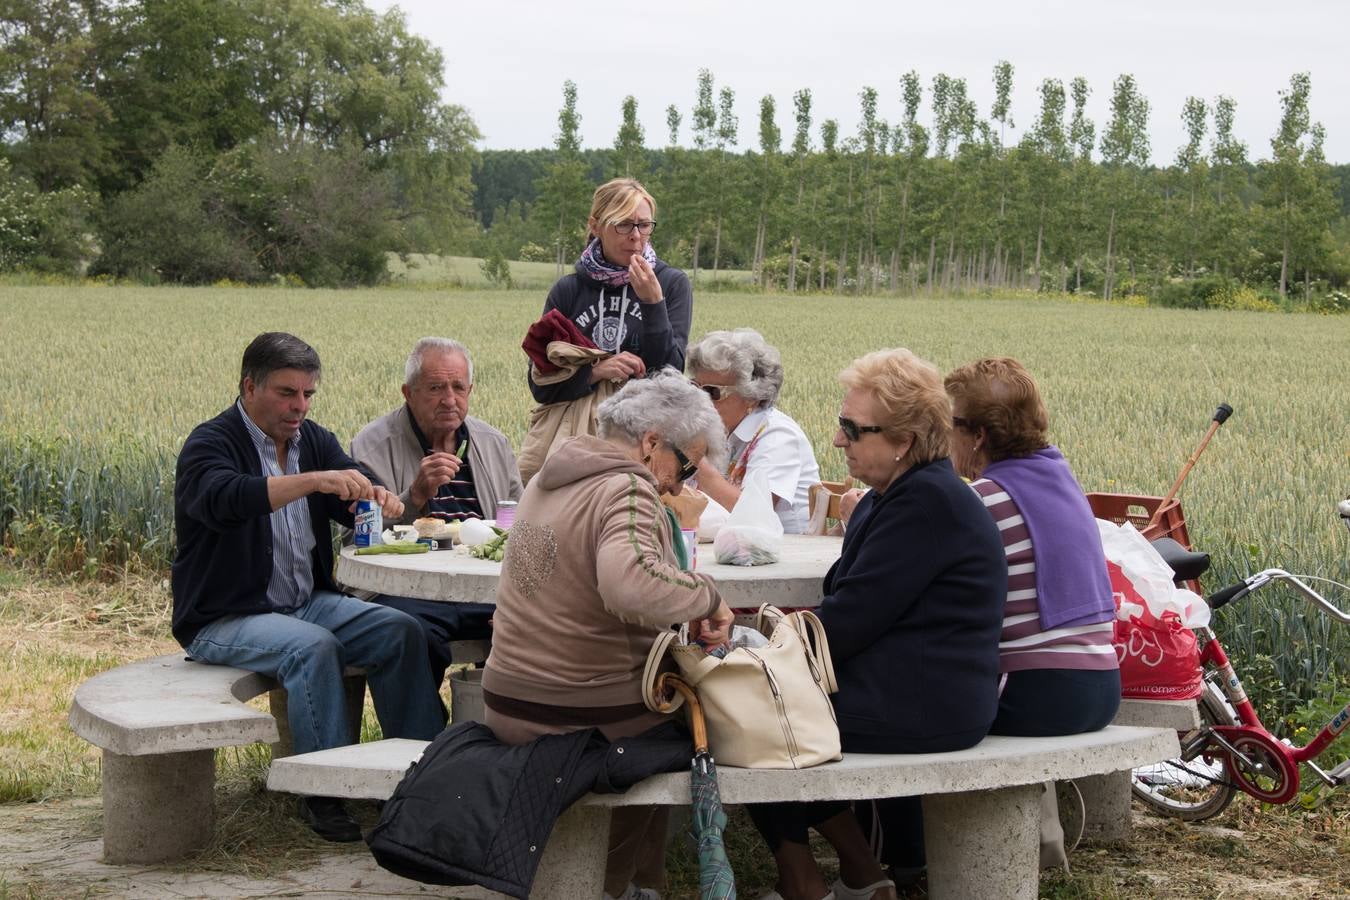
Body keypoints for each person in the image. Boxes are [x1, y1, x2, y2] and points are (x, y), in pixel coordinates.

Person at [749, 348, 1006, 900]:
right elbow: (847, 607)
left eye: (852, 428)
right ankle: (863, 874)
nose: (839, 440)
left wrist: (754, 647)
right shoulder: (899, 496)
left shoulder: (926, 506)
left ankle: (805, 882)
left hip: (929, 703)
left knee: (750, 715)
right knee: (758, 702)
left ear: (904, 442)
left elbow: (847, 622)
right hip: (915, 686)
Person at [171, 332, 444, 843]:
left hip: (305, 602)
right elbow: (227, 498)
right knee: (312, 648)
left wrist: (373, 496)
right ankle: (326, 790)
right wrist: (314, 481)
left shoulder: (312, 440)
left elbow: (349, 483)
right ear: (249, 387)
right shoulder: (210, 442)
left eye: (308, 394)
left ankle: (424, 777)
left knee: (401, 631)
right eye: (286, 393)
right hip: (222, 616)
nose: (299, 406)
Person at [483, 369, 734, 900]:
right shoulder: (628, 487)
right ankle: (618, 884)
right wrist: (707, 594)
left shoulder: (551, 475)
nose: (679, 484)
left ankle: (638, 881)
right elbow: (631, 583)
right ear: (649, 444)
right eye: (684, 465)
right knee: (695, 720)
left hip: (507, 696)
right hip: (569, 711)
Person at [943, 357, 1121, 735]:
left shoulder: (983, 500)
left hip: (1036, 693)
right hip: (1103, 690)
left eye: (952, 423)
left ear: (978, 436)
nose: (946, 435)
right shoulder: (1060, 477)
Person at [349, 336, 524, 688]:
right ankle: (421, 740)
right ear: (408, 392)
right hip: (412, 591)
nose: (449, 399)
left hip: (486, 589)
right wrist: (415, 496)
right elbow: (359, 535)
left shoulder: (492, 443)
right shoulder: (371, 446)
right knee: (405, 633)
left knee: (543, 625)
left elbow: (519, 520)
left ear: (470, 389)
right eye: (435, 388)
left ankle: (510, 735)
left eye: (458, 387)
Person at [528, 178, 692, 405]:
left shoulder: (670, 284)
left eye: (644, 225)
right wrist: (595, 372)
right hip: (580, 432)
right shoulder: (568, 290)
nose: (635, 235)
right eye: (623, 224)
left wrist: (653, 304)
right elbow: (539, 386)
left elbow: (671, 377)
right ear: (596, 227)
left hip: (645, 429)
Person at [686, 328, 821, 533]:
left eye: (712, 391)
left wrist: (696, 461)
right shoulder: (715, 430)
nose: (700, 400)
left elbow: (754, 514)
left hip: (785, 556)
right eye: (695, 387)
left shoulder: (778, 435)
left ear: (751, 396)